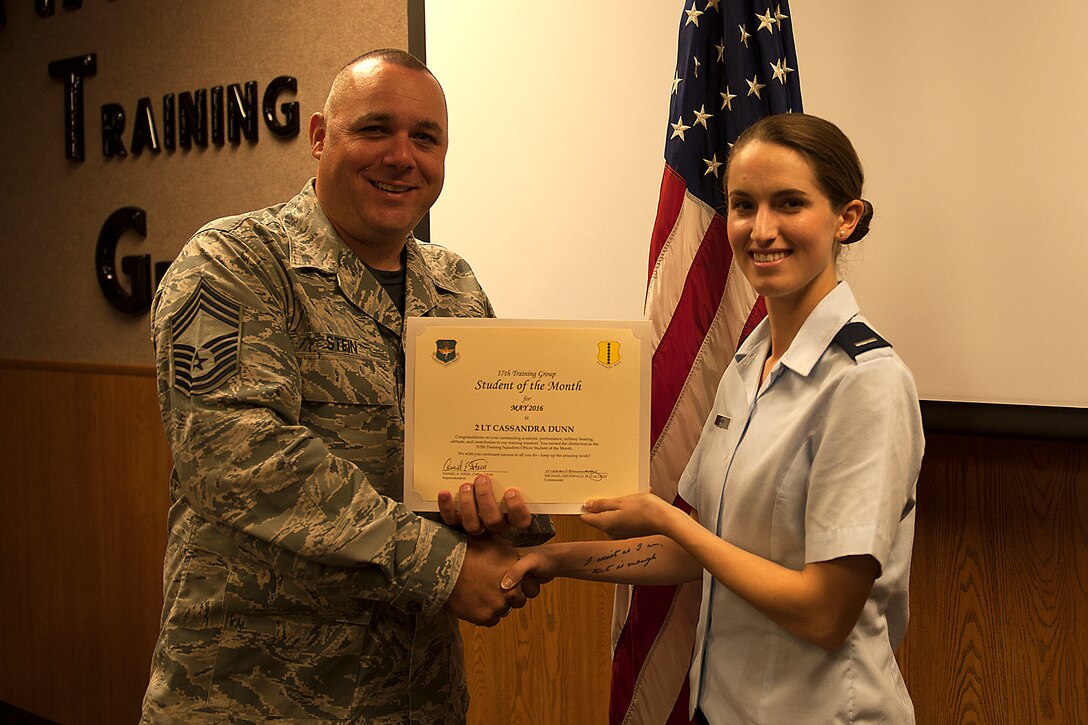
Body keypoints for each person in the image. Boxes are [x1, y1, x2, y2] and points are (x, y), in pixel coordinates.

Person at [141, 49, 552, 724]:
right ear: (319, 136)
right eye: (374, 129)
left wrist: (510, 508)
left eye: (426, 138)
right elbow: (236, 456)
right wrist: (442, 565)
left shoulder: (453, 287)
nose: (402, 156)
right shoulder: (234, 261)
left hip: (418, 697)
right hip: (256, 698)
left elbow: (493, 444)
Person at [502, 113, 924, 723]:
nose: (762, 229)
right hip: (719, 709)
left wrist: (666, 518)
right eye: (743, 205)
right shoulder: (750, 361)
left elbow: (825, 613)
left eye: (789, 203)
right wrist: (557, 561)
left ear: (846, 218)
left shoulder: (866, 383)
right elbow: (693, 552)